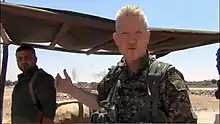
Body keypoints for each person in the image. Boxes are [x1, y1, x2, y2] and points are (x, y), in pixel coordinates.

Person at [55, 5, 197, 123]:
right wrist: (70, 89)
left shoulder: (166, 77)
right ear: (116, 39)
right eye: (125, 34)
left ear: (147, 36)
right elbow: (100, 103)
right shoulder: (114, 76)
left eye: (138, 33)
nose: (131, 40)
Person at [11, 45, 57, 124]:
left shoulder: (42, 79)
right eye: (20, 59)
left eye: (27, 58)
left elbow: (48, 114)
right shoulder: (23, 79)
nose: (23, 61)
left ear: (35, 59)